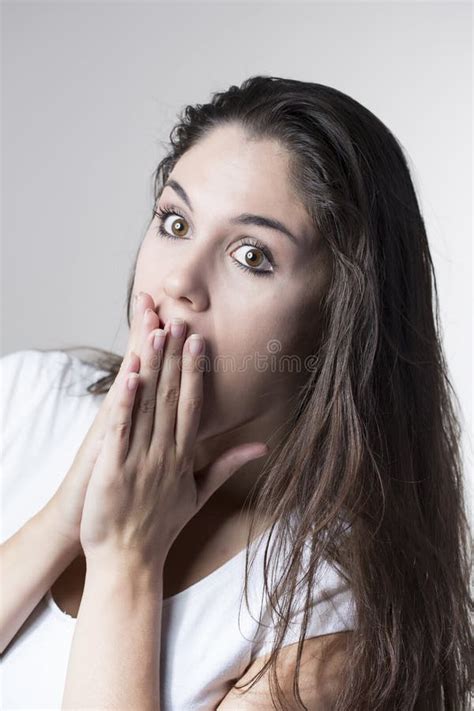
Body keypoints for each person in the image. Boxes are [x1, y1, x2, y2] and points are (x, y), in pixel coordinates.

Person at [1, 75, 472, 710]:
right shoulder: (26, 397)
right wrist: (62, 517)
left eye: (252, 255)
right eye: (174, 222)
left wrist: (126, 561)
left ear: (338, 318)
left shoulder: (323, 624)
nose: (179, 281)